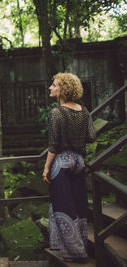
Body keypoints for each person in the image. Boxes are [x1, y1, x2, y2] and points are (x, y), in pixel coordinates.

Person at [42, 73, 96, 263]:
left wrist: (46, 167)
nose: (50, 87)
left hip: (62, 162)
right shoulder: (84, 111)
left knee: (63, 206)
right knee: (79, 204)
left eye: (54, 85)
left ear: (62, 90)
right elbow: (91, 137)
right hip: (79, 162)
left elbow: (53, 145)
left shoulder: (56, 112)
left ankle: (74, 253)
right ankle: (77, 245)